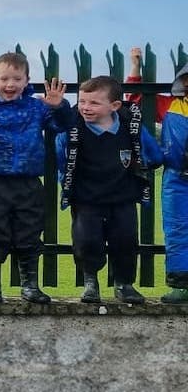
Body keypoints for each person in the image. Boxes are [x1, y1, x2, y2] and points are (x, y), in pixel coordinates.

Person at [0, 53, 74, 304]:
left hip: (29, 180)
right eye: (5, 78)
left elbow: (61, 126)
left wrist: (59, 107)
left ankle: (30, 285)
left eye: (17, 79)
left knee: (30, 233)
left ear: (26, 81)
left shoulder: (36, 107)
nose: (10, 84)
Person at [57, 76, 161, 304]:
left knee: (125, 240)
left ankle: (123, 284)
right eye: (82, 101)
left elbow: (152, 153)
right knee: (87, 241)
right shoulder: (73, 127)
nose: (86, 107)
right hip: (86, 199)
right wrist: (65, 182)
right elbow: (60, 157)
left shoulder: (129, 127)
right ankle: (90, 282)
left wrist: (149, 163)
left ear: (115, 106)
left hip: (122, 198)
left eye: (94, 103)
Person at [126, 47, 188, 303]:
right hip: (177, 180)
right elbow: (135, 101)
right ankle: (182, 286)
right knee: (177, 230)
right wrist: (135, 67)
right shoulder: (171, 105)